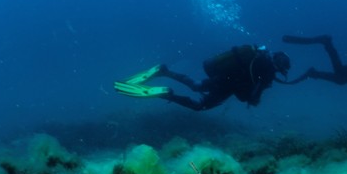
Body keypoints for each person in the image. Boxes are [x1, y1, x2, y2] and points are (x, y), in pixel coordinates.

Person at [114, 45, 291, 110]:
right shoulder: (267, 72)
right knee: (199, 105)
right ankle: (166, 93)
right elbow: (250, 97)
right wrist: (255, 99)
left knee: (196, 85)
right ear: (280, 67)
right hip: (228, 85)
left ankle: (164, 71)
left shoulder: (257, 56)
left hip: (224, 77)